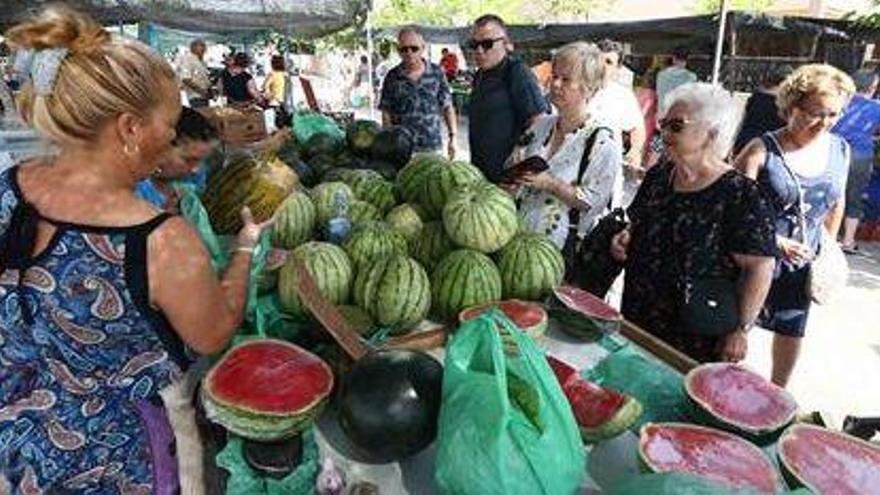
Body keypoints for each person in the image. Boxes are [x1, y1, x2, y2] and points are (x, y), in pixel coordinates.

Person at [0, 7, 272, 492]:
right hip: (120, 461)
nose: (173, 136)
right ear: (129, 127)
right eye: (169, 124)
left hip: (19, 441)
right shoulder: (161, 240)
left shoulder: (5, 190)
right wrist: (246, 249)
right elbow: (213, 334)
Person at [612, 82, 776, 363]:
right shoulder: (659, 177)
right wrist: (625, 236)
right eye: (664, 124)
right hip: (639, 317)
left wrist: (741, 329)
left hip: (697, 332)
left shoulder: (740, 194)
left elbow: (760, 266)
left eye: (676, 126)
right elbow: (636, 223)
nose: (664, 133)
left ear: (711, 134)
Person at [734, 64, 855, 387]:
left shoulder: (840, 149)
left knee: (791, 329)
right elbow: (732, 206)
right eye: (815, 113)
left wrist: (826, 247)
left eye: (833, 115)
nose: (824, 123)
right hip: (753, 258)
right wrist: (772, 241)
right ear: (791, 106)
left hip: (803, 262)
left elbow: (836, 201)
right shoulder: (760, 150)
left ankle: (778, 395)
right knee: (734, 334)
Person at [507, 42, 622, 253]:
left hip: (560, 251)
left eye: (566, 79)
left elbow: (594, 202)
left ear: (588, 87)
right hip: (516, 241)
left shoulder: (602, 142)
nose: (556, 84)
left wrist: (552, 185)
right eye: (555, 75)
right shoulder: (540, 126)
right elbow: (513, 167)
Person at [467, 14, 549, 182]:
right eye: (474, 45)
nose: (479, 50)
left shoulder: (517, 72)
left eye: (487, 44)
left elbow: (539, 122)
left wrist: (521, 161)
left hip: (508, 179)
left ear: (505, 43)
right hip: (481, 175)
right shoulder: (480, 75)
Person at [379, 27, 457, 158]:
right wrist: (389, 141)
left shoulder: (436, 73)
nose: (409, 53)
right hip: (402, 148)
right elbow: (386, 112)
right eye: (404, 49)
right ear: (399, 51)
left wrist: (453, 137)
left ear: (423, 48)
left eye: (414, 48)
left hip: (432, 146)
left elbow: (447, 107)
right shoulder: (392, 76)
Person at [833, 69, 880, 254]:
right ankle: (848, 241)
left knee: (830, 193)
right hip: (860, 154)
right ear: (872, 87)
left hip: (834, 150)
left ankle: (827, 236)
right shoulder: (876, 107)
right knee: (855, 196)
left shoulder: (840, 102)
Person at [136, 107, 219, 211]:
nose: (195, 169)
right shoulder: (133, 193)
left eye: (201, 161)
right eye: (188, 160)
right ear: (160, 148)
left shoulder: (190, 187)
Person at [591, 38, 646, 171]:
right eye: (599, 60)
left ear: (618, 68)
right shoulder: (574, 88)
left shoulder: (622, 96)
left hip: (607, 168)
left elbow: (637, 128)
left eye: (609, 62)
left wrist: (634, 152)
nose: (603, 66)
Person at [733, 65, 792, 156]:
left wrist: (734, 142)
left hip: (745, 139)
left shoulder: (757, 96)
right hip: (766, 147)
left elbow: (743, 121)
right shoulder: (785, 103)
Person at [179, 38, 212, 108]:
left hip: (204, 96)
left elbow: (205, 80)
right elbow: (186, 79)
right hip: (195, 97)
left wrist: (209, 89)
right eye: (201, 46)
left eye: (204, 46)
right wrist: (202, 91)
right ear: (193, 47)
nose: (204, 48)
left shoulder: (202, 62)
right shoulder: (188, 59)